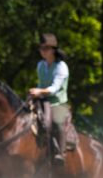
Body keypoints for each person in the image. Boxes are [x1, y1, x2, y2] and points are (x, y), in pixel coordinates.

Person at [29, 33, 73, 164]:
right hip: (43, 101)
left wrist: (39, 91)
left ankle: (61, 153)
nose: (42, 51)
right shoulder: (40, 65)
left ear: (53, 49)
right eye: (41, 49)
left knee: (57, 122)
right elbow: (41, 84)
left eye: (46, 48)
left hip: (58, 103)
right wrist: (35, 94)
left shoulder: (61, 67)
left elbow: (54, 88)